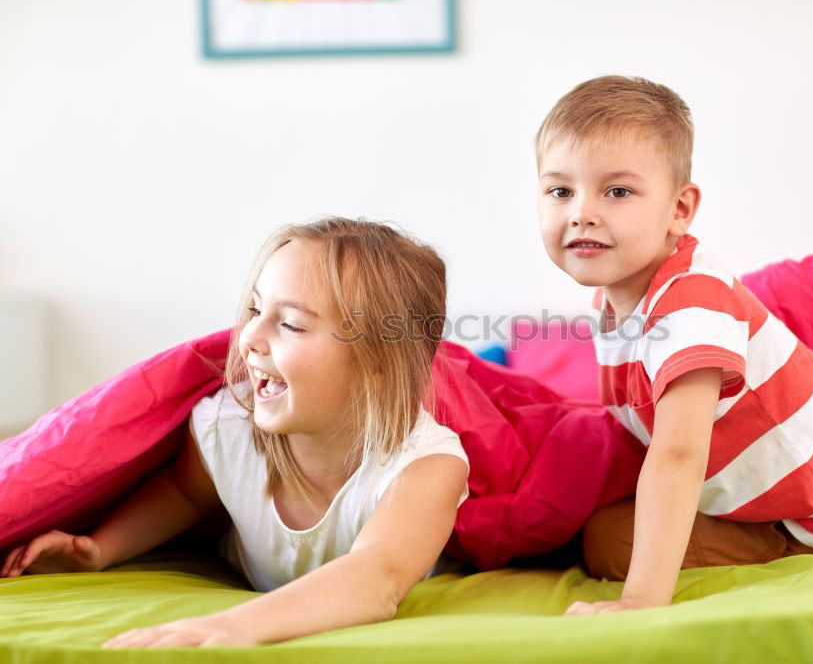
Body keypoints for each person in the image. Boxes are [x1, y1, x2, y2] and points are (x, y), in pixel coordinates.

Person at [0, 217, 470, 647]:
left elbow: (376, 581)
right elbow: (184, 494)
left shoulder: (427, 465)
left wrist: (228, 626)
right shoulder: (227, 427)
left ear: (380, 366)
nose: (248, 337)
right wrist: (100, 549)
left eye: (290, 324)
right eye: (254, 309)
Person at [534, 76, 813, 616]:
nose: (581, 212)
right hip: (793, 492)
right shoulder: (617, 303)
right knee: (598, 512)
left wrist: (640, 601)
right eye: (560, 190)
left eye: (617, 191)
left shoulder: (692, 307)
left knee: (608, 542)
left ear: (679, 210)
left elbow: (678, 455)